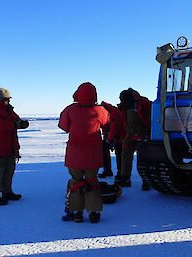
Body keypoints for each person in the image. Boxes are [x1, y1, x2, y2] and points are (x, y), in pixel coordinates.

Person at [58, 82, 109, 223]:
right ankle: (94, 212)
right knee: (92, 181)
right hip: (93, 153)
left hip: (75, 153)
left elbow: (63, 126)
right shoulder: (101, 110)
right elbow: (106, 122)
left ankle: (76, 212)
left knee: (76, 181)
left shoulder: (69, 110)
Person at [0, 88, 29, 205]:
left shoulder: (8, 110)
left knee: (9, 170)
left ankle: (6, 192)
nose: (7, 101)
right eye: (5, 99)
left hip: (10, 145)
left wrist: (21, 123)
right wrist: (14, 124)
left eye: (8, 99)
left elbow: (16, 120)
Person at [114, 88, 152, 190]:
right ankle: (125, 177)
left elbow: (152, 118)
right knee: (125, 155)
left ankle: (146, 179)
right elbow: (123, 121)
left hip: (143, 134)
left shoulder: (143, 103)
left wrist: (150, 134)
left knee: (143, 159)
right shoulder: (124, 107)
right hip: (130, 134)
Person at [98, 101, 124, 178]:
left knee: (119, 153)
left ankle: (121, 173)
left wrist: (109, 139)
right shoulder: (106, 112)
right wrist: (106, 139)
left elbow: (115, 128)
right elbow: (105, 127)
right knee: (104, 149)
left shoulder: (114, 113)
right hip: (114, 136)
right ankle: (107, 170)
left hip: (121, 136)